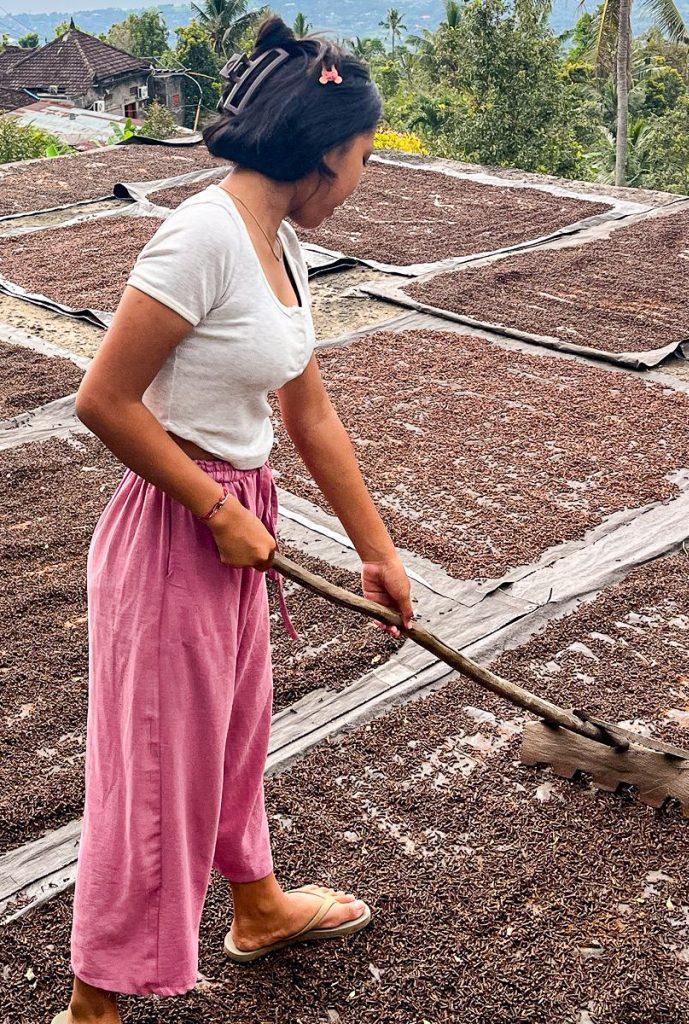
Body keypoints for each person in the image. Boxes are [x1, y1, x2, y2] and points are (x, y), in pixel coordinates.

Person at [53, 16, 413, 1024]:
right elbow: (104, 400)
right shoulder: (203, 235)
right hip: (177, 534)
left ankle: (254, 907)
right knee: (157, 773)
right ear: (326, 149)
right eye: (364, 156)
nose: (362, 176)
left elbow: (311, 412)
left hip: (238, 524)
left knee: (233, 739)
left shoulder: (282, 244)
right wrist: (213, 505)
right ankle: (92, 1005)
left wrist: (377, 555)